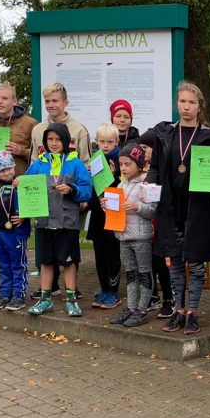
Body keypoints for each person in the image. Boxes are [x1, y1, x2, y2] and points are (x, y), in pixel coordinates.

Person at [150, 81, 210, 335]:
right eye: (182, 101)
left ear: (199, 106)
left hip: (198, 207)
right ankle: (178, 310)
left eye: (191, 102)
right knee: (174, 261)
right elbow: (155, 167)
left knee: (195, 262)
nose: (186, 107)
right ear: (177, 103)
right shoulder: (165, 134)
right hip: (171, 207)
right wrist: (149, 187)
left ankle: (193, 312)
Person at [23, 123, 93, 317]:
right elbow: (27, 185)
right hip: (44, 221)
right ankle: (45, 300)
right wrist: (20, 182)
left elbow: (87, 191)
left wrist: (71, 189)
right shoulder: (39, 163)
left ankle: (71, 300)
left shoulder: (75, 163)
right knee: (45, 261)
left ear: (66, 141)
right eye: (50, 139)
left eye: (58, 139)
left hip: (67, 222)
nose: (54, 143)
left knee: (69, 262)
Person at [110, 145, 158, 328]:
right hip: (123, 236)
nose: (123, 168)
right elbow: (117, 210)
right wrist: (108, 205)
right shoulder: (120, 185)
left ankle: (142, 310)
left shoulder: (147, 184)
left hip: (141, 237)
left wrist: (137, 206)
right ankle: (131, 308)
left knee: (144, 272)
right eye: (121, 164)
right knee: (130, 273)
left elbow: (153, 211)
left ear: (139, 165)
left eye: (127, 164)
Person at [0, 151, 30, 310]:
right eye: (2, 170)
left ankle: (18, 295)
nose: (6, 173)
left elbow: (32, 202)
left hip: (16, 233)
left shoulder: (21, 182)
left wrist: (24, 216)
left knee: (18, 264)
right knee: (3, 264)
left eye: (9, 168)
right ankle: (5, 294)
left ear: (14, 166)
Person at [138, 127, 174, 317]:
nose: (142, 152)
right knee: (149, 261)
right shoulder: (140, 169)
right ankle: (153, 296)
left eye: (145, 148)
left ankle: (169, 299)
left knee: (162, 263)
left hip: (162, 223)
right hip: (146, 225)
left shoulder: (165, 168)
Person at [86, 124, 122, 309]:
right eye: (102, 142)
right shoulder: (95, 160)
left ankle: (114, 292)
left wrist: (115, 175)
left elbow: (122, 187)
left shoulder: (121, 160)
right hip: (97, 216)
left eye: (110, 142)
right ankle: (104, 289)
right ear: (97, 142)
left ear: (116, 142)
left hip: (113, 215)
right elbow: (91, 190)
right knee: (99, 254)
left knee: (112, 254)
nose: (106, 145)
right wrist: (88, 175)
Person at [0, 83, 38, 177]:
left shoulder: (30, 123)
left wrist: (21, 151)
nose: (0, 102)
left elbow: (41, 154)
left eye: (5, 98)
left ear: (14, 102)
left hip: (21, 180)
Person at [29, 82, 91, 161]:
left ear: (65, 103)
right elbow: (33, 162)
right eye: (47, 101)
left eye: (55, 101)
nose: (50, 105)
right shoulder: (37, 130)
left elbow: (87, 164)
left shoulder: (80, 130)